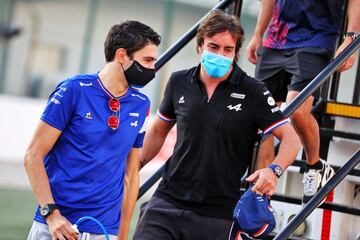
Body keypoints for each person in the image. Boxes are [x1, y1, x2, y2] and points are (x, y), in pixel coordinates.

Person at [133, 10, 301, 240]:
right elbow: (158, 131)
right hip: (166, 203)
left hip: (218, 214)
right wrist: (133, 167)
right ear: (200, 46)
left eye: (228, 49)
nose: (221, 54)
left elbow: (291, 139)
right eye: (213, 47)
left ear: (236, 52)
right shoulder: (178, 81)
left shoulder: (254, 91)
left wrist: (274, 170)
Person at [24, 21, 161, 240]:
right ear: (122, 55)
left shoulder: (141, 104)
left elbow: (130, 175)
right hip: (56, 227)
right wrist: (51, 215)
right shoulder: (73, 90)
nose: (152, 68)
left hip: (105, 231)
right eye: (147, 60)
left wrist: (123, 235)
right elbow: (33, 155)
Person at [247, 0, 360, 204]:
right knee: (263, 123)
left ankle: (315, 165)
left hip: (316, 38)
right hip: (276, 38)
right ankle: (258, 202)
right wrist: (258, 32)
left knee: (297, 109)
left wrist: (351, 38)